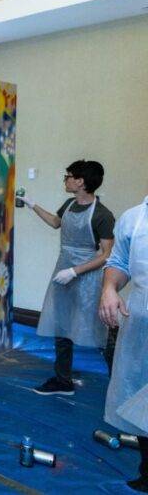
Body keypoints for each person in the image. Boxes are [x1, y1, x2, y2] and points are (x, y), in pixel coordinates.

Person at [20, 160, 115, 395]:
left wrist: (75, 271)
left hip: (88, 277)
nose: (65, 180)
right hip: (63, 271)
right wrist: (31, 204)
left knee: (100, 328)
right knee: (61, 324)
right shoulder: (69, 205)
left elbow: (107, 255)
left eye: (68, 176)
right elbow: (55, 222)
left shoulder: (102, 215)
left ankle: (118, 385)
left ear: (80, 182)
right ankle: (63, 381)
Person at [99, 196, 148, 492]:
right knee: (138, 391)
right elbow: (119, 262)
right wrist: (109, 288)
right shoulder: (134, 218)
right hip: (141, 321)